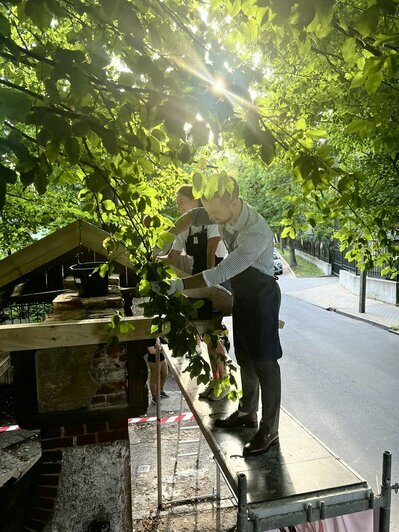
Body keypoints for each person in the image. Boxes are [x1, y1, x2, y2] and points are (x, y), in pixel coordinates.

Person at [155, 175, 282, 456]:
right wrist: (164, 240)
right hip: (244, 294)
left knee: (265, 361)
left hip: (262, 295)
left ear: (234, 202)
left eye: (215, 213)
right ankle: (248, 412)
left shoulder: (255, 232)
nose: (210, 217)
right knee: (245, 355)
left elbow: (220, 273)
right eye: (209, 211)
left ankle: (270, 430)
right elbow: (192, 216)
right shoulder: (220, 213)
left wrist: (179, 284)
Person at [166, 184, 230, 401]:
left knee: (212, 333)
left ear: (195, 201)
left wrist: (209, 286)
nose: (179, 206)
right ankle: (217, 380)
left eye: (181, 201)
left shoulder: (210, 220)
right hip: (197, 281)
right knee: (205, 334)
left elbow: (212, 253)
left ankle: (223, 383)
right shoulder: (184, 228)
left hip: (215, 279)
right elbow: (172, 258)